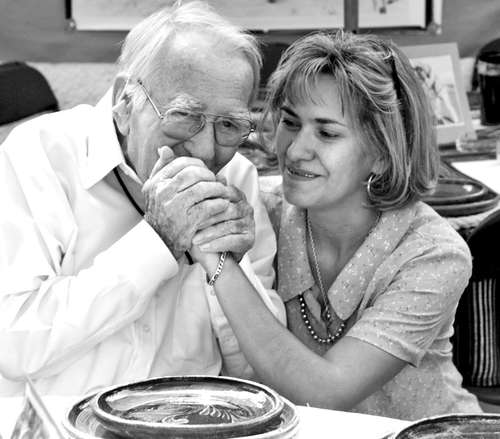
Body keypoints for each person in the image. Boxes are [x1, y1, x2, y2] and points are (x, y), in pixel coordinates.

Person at [190, 31, 482, 420]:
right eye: (291, 123)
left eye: (327, 133)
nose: (294, 150)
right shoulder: (264, 216)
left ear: (383, 152)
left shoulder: (433, 254)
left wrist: (220, 262)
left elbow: (325, 391)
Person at [0, 1, 284, 396]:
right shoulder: (39, 155)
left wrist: (224, 265)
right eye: (186, 115)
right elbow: (14, 345)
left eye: (230, 125)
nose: (205, 151)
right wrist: (157, 241)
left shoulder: (237, 177)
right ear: (125, 102)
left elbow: (259, 373)